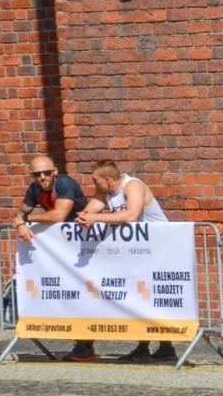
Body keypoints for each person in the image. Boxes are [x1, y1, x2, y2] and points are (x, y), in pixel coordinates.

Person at [77, 160, 175, 362]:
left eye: (95, 180)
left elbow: (131, 215)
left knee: (147, 297)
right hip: (138, 252)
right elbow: (89, 212)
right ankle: (162, 348)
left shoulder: (133, 186)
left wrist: (97, 218)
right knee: (142, 297)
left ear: (107, 179)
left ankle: (150, 348)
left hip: (159, 248)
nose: (92, 184)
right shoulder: (105, 192)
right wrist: (83, 218)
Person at [14, 154, 95, 360]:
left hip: (84, 246)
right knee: (68, 293)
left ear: (55, 172)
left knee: (84, 293)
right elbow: (19, 213)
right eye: (37, 174)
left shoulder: (65, 184)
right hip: (63, 248)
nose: (42, 177)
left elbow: (59, 215)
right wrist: (19, 222)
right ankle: (83, 345)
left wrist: (25, 219)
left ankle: (87, 344)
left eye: (46, 172)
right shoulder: (34, 189)